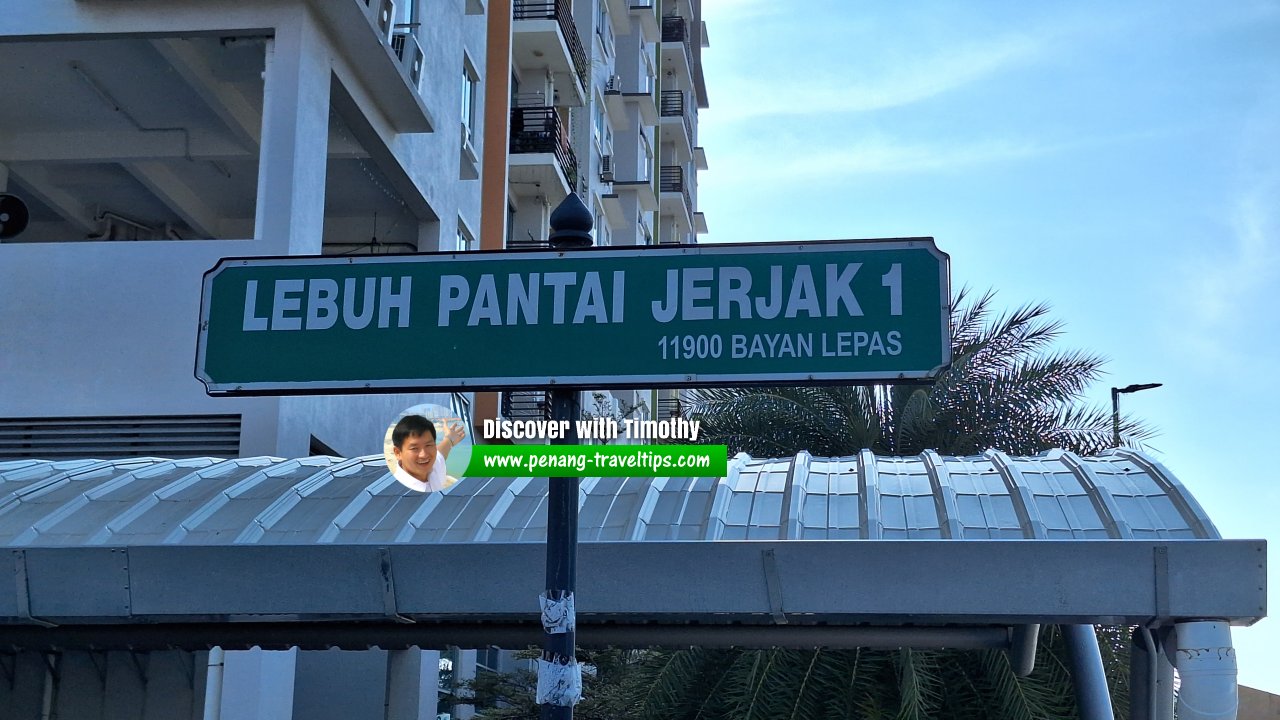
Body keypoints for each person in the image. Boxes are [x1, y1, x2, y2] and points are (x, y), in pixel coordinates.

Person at [391, 414, 467, 492]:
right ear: (398, 453)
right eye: (414, 448)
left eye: (428, 445)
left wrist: (449, 439)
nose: (424, 455)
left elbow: (441, 452)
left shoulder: (434, 467)